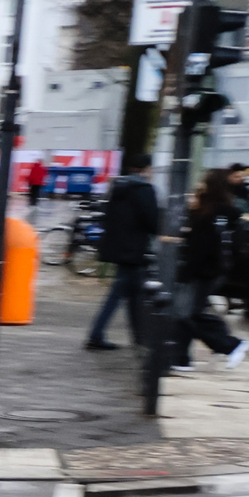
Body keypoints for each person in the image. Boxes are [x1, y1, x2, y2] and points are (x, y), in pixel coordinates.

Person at [175, 167, 249, 372]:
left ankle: (231, 344)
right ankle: (181, 358)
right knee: (187, 313)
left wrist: (187, 271)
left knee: (189, 314)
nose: (200, 184)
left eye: (204, 181)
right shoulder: (217, 210)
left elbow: (202, 247)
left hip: (204, 270)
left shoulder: (212, 212)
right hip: (213, 270)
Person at [85, 151, 163, 352]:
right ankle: (97, 334)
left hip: (119, 248)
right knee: (119, 294)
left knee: (134, 294)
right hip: (135, 249)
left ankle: (139, 337)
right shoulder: (145, 189)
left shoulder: (118, 187)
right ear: (147, 168)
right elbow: (152, 221)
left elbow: (108, 217)